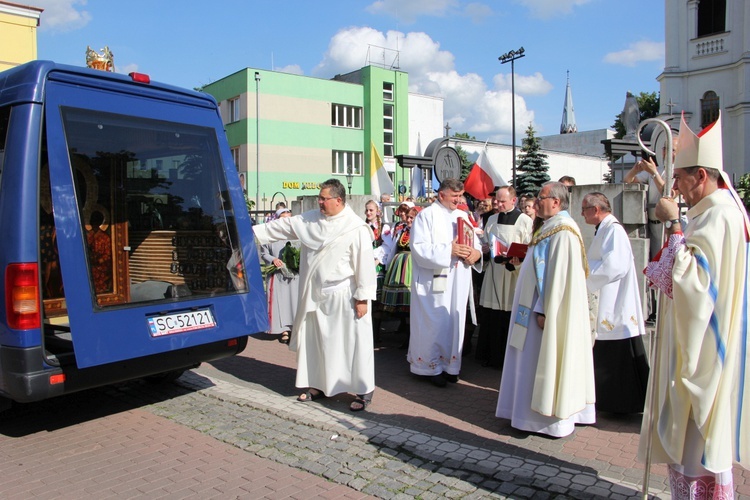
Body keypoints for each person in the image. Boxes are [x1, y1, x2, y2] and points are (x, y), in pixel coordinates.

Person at [638, 113, 750, 496]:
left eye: (681, 179)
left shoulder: (719, 216)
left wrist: (673, 226)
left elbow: (697, 286)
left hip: (703, 350)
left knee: (697, 445)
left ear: (701, 175)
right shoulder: (716, 211)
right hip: (698, 339)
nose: (677, 188)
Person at [253, 179, 377, 412]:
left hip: (346, 296)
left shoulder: (355, 227)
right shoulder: (309, 220)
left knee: (353, 344)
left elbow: (364, 265)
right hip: (316, 296)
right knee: (319, 343)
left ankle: (363, 390)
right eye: (319, 198)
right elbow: (279, 227)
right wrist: (248, 231)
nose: (319, 202)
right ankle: (320, 385)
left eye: (324, 198)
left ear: (338, 200)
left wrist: (362, 298)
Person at [495, 181, 595, 437]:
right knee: (527, 361)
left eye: (542, 198)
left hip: (543, 313)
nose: (537, 202)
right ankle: (524, 413)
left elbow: (559, 279)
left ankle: (544, 420)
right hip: (532, 308)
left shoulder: (563, 231)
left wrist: (544, 310)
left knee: (543, 361)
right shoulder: (549, 227)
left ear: (556, 202)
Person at [408, 178, 482, 387]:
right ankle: (430, 368)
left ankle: (451, 366)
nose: (458, 201)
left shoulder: (463, 216)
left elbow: (475, 243)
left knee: (454, 320)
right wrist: (448, 250)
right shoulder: (426, 216)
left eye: (460, 196)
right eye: (454, 197)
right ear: (441, 195)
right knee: (435, 321)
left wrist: (475, 253)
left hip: (458, 279)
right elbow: (419, 248)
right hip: (434, 281)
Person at [581, 192, 649, 414]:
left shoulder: (614, 230)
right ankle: (612, 403)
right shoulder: (604, 228)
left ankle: (622, 404)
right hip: (606, 298)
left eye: (584, 209)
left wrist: (586, 280)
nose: (582, 214)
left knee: (617, 351)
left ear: (596, 210)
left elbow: (615, 265)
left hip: (614, 302)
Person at [476, 186, 532, 369]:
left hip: (512, 274)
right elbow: (485, 242)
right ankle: (490, 356)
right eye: (496, 201)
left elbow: (529, 248)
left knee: (508, 316)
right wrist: (484, 248)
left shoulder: (525, 221)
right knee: (492, 316)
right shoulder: (491, 219)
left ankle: (507, 359)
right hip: (494, 273)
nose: (497, 204)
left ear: (513, 201)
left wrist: (517, 258)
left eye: (502, 201)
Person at [381, 206, 421, 347]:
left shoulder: (420, 232)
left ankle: (412, 337)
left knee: (411, 301)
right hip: (399, 265)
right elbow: (393, 248)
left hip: (412, 265)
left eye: (412, 217)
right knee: (402, 304)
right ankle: (405, 332)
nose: (409, 219)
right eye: (408, 217)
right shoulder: (402, 231)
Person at [259, 208, 300, 345]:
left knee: (293, 301)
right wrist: (273, 260)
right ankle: (283, 330)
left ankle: (294, 328)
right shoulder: (269, 235)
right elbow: (263, 253)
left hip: (293, 275)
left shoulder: (296, 234)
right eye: (283, 218)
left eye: (288, 218)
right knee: (281, 303)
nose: (286, 221)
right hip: (277, 275)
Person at [365, 199, 389, 341]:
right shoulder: (363, 226)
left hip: (376, 264)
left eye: (371, 210)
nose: (368, 213)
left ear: (377, 212)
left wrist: (377, 260)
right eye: (367, 210)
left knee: (377, 301)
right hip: (365, 262)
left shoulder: (383, 229)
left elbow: (387, 246)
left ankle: (376, 333)